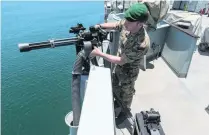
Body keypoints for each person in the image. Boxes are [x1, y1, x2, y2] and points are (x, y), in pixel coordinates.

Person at [90, 3, 150, 122]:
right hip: (118, 67)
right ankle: (117, 103)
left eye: (129, 22)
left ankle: (124, 112)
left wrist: (99, 53)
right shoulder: (129, 23)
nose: (125, 23)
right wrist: (99, 26)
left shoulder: (142, 43)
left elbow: (122, 61)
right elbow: (116, 25)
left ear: (139, 23)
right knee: (115, 86)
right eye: (126, 20)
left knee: (126, 93)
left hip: (129, 72)